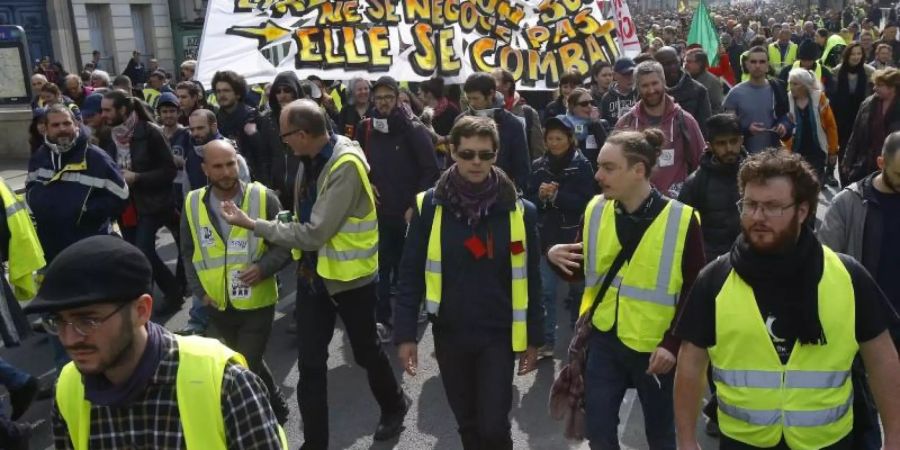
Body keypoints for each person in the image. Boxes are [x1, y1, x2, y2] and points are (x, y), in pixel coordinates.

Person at [673, 150, 900, 450]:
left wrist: (894, 438)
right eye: (750, 205)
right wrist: (687, 440)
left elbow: (882, 360)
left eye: (772, 207)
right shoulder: (715, 279)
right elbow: (690, 364)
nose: (757, 216)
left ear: (803, 211)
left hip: (827, 441)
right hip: (743, 441)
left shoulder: (847, 276)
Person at [220, 99, 410, 449]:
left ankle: (395, 405)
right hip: (313, 277)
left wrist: (253, 224)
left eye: (285, 135)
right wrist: (285, 222)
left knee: (366, 352)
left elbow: (315, 232)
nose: (283, 141)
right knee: (310, 365)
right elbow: (304, 216)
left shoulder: (345, 165)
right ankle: (315, 443)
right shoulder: (309, 157)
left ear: (304, 134)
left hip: (350, 279)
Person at [23, 235, 288, 449]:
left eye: (88, 321)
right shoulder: (68, 388)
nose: (69, 339)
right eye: (57, 322)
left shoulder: (226, 384)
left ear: (141, 311)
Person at [547, 128, 705, 450]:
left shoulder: (682, 219)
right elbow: (579, 271)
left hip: (655, 348)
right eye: (599, 166)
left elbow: (695, 289)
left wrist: (672, 344)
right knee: (599, 432)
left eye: (608, 167)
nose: (598, 174)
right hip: (604, 338)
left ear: (639, 170)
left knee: (661, 437)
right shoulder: (594, 209)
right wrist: (554, 256)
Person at [394, 116, 543, 449]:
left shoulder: (521, 212)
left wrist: (535, 338)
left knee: (493, 425)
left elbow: (532, 280)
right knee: (468, 425)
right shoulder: (429, 207)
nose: (476, 162)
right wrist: (405, 335)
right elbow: (409, 275)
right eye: (467, 154)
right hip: (450, 334)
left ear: (496, 155)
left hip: (499, 334)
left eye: (485, 155)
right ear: (452, 153)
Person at [181, 139, 292, 424]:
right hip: (218, 303)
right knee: (248, 362)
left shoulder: (263, 197)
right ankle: (278, 405)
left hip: (257, 302)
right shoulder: (193, 202)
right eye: (218, 166)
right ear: (205, 169)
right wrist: (200, 292)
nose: (226, 171)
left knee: (241, 368)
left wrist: (263, 268)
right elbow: (188, 250)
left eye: (231, 164)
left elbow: (287, 244)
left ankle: (258, 426)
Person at [353, 75, 439, 342]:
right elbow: (357, 162)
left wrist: (415, 205)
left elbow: (431, 170)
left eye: (388, 97)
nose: (383, 103)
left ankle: (408, 318)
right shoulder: (365, 127)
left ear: (398, 98)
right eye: (378, 98)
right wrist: (367, 181)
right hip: (378, 212)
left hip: (406, 213)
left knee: (407, 269)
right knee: (380, 268)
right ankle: (382, 321)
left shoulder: (413, 129)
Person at [100, 90, 182, 315]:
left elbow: (169, 170)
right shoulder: (108, 135)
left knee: (142, 252)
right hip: (125, 205)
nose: (103, 114)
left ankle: (145, 304)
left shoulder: (150, 132)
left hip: (153, 204)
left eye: (108, 110)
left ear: (123, 110)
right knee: (140, 253)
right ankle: (173, 291)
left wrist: (138, 178)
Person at [820, 130, 900, 350]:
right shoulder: (847, 204)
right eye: (899, 174)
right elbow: (827, 262)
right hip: (866, 322)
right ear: (881, 162)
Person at [526, 116, 594, 357]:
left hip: (573, 237)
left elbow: (588, 203)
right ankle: (546, 340)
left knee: (577, 291)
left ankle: (580, 338)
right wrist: (542, 198)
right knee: (545, 290)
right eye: (550, 139)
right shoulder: (537, 166)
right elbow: (528, 202)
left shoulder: (582, 165)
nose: (554, 143)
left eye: (559, 138)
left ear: (570, 139)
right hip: (545, 236)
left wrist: (557, 197)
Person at [26, 104, 128, 263]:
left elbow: (121, 196)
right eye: (55, 125)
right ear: (45, 129)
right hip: (50, 249)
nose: (62, 129)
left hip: (90, 247)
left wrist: (86, 211)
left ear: (76, 125)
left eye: (67, 123)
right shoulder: (39, 157)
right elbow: (30, 188)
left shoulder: (97, 158)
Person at [615, 61, 705, 198]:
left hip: (676, 204)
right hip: (637, 204)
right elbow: (615, 164)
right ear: (637, 87)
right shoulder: (627, 123)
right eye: (645, 85)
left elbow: (701, 162)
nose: (651, 90)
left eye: (654, 83)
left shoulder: (685, 121)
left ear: (663, 82)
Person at [678, 113, 747, 262]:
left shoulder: (757, 176)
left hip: (750, 258)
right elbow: (683, 231)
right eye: (721, 143)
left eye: (733, 141)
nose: (729, 148)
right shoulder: (696, 184)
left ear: (741, 140)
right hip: (711, 263)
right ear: (710, 146)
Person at [458, 73, 531, 191]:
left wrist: (518, 193)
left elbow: (521, 166)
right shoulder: (461, 121)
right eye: (469, 99)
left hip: (501, 192)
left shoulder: (512, 124)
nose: (471, 103)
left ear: (491, 94)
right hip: (466, 192)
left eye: (476, 98)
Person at [723, 45, 792, 154]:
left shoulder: (777, 88)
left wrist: (783, 126)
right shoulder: (735, 93)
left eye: (762, 62)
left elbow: (786, 116)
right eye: (753, 62)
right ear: (747, 65)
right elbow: (728, 128)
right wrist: (747, 130)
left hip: (773, 156)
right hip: (745, 156)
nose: (757, 66)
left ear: (768, 66)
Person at [843, 67, 900, 184]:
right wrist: (848, 160)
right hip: (866, 163)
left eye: (879, 85)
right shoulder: (867, 104)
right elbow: (855, 134)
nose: (874, 88)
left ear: (892, 88)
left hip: (893, 165)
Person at [783, 68, 838, 182]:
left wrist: (833, 151)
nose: (791, 87)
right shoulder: (786, 99)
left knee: (814, 185)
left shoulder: (819, 97)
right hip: (794, 152)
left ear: (804, 85)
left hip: (816, 151)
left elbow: (830, 126)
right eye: (790, 83)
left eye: (795, 84)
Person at [259, 71, 304, 210]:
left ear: (296, 92)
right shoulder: (267, 119)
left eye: (287, 90)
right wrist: (269, 187)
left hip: (304, 190)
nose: (282, 95)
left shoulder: (310, 115)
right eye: (278, 91)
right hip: (277, 192)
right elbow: (263, 157)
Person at [833, 43, 875, 186]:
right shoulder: (837, 72)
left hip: (863, 117)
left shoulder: (869, 72)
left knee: (860, 151)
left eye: (859, 54)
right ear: (847, 55)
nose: (856, 57)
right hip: (842, 119)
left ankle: (858, 183)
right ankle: (845, 183)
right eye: (853, 54)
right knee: (843, 151)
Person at [212, 70, 266, 182]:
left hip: (252, 179)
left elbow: (264, 154)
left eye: (226, 90)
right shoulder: (215, 120)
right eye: (218, 91)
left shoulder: (253, 116)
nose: (222, 95)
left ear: (238, 93)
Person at [655, 46, 712, 137]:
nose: (673, 67)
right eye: (667, 64)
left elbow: (705, 128)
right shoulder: (650, 91)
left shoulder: (698, 90)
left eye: (675, 62)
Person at [492, 68, 546, 160]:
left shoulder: (528, 113)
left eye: (494, 80)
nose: (490, 84)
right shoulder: (486, 111)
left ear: (507, 85)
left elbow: (538, 151)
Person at [565, 87, 609, 173]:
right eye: (584, 104)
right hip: (574, 173)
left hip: (596, 174)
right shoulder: (565, 125)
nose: (589, 106)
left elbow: (607, 149)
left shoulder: (601, 124)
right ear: (573, 107)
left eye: (591, 102)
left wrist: (596, 123)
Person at [684, 48, 724, 114]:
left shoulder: (712, 82)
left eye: (689, 61)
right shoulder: (682, 79)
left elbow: (717, 109)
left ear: (700, 63)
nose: (685, 64)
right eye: (684, 61)